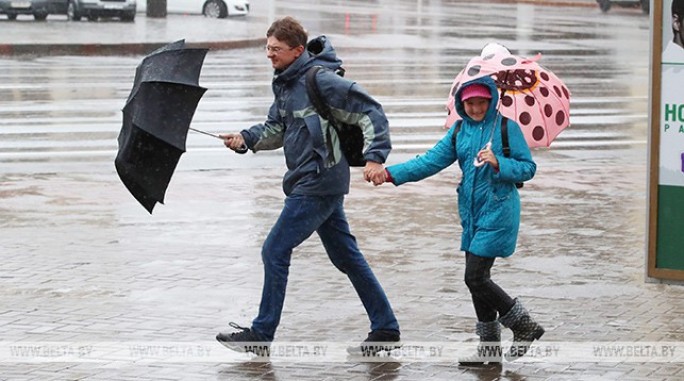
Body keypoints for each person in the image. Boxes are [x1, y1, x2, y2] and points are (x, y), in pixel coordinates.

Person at [216, 16, 400, 356]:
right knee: (347, 257)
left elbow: (370, 111)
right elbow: (276, 128)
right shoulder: (284, 83)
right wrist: (244, 139)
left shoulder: (321, 80)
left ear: (297, 50)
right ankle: (386, 327)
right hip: (313, 180)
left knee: (274, 250)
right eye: (267, 48)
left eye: (276, 49)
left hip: (319, 180)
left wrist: (375, 157)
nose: (269, 55)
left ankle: (261, 334)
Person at [375, 77, 544, 363]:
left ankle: (523, 325)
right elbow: (429, 162)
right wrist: (390, 174)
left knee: (475, 277)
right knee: (478, 281)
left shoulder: (506, 128)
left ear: (491, 100)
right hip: (471, 215)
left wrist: (498, 162)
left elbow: (528, 168)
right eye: (470, 102)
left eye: (481, 101)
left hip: (499, 212)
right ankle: (488, 353)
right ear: (461, 104)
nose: (476, 108)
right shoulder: (459, 131)